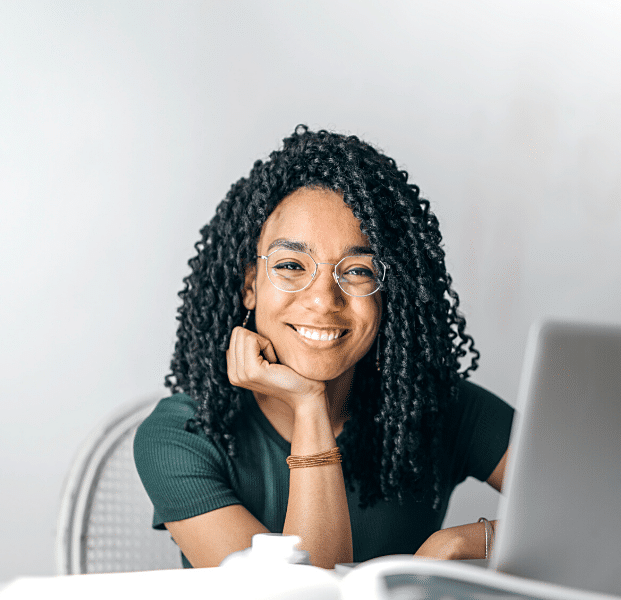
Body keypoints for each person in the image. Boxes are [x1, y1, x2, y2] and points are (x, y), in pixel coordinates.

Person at [133, 126, 514, 569]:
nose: (322, 299)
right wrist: (308, 404)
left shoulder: (440, 407)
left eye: (357, 271)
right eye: (292, 265)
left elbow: (604, 511)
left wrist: (468, 541)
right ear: (250, 286)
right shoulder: (183, 435)